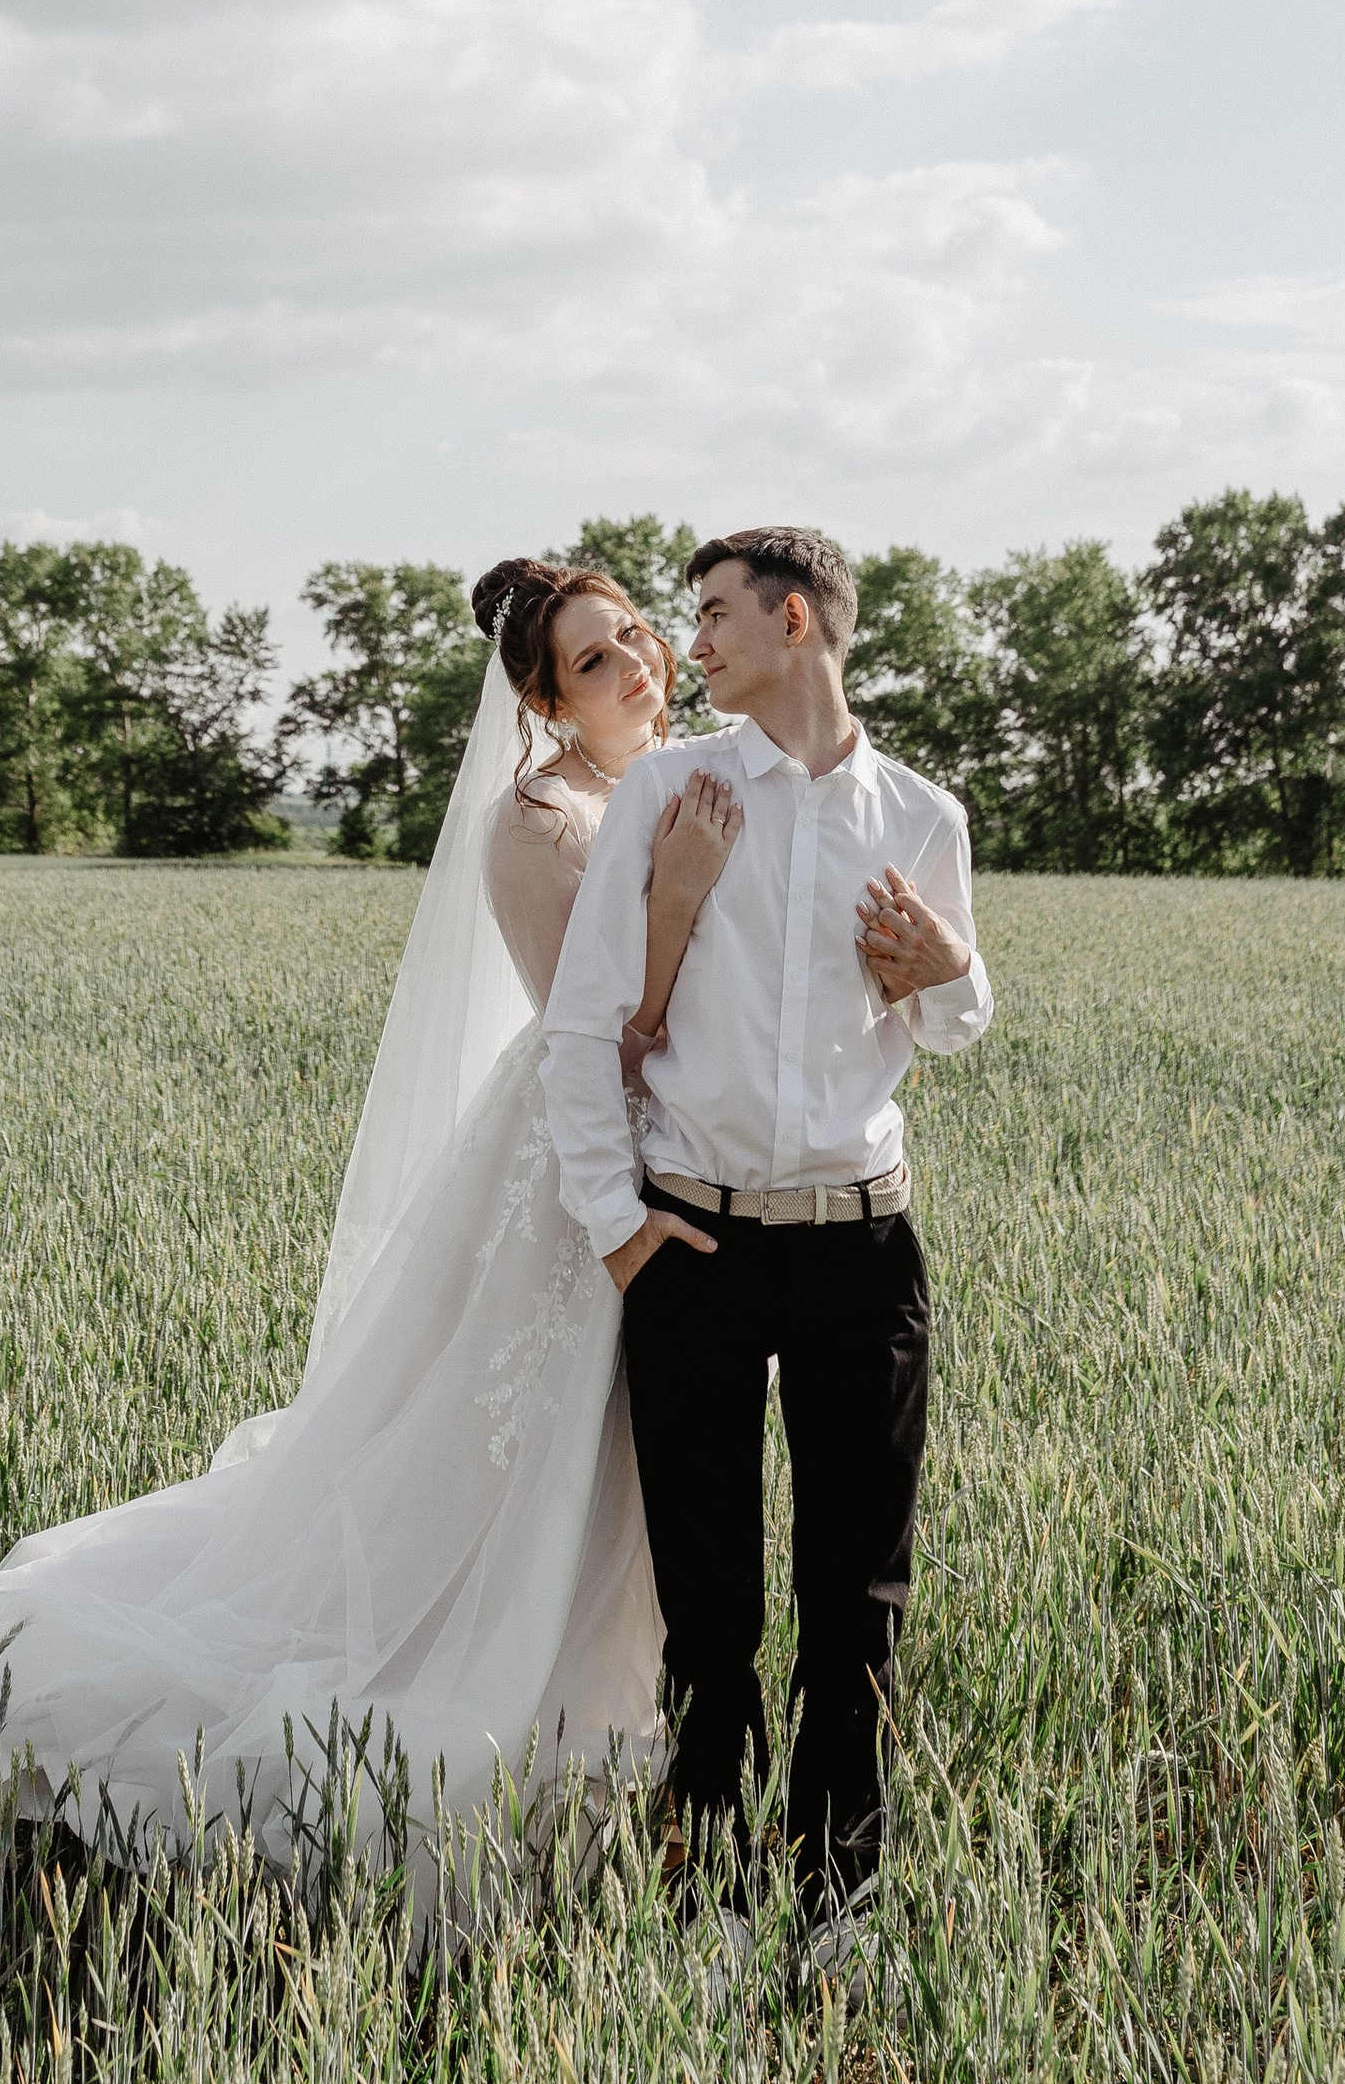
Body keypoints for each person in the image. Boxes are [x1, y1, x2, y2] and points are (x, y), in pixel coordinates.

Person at [0, 555, 743, 1899]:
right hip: (579, 1174)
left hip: (704, 1159)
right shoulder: (539, 823)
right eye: (592, 658)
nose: (635, 662)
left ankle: (647, 1726)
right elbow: (611, 1029)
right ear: (543, 700)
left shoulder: (702, 773)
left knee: (651, 1465)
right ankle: (514, 1714)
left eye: (635, 633)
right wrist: (684, 893)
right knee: (547, 1454)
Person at [541, 523, 993, 1924]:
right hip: (697, 1251)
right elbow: (580, 1026)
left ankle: (839, 1909)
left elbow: (956, 1019)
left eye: (720, 614)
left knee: (858, 1613)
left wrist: (954, 971)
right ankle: (711, 1909)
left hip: (864, 1251)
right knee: (713, 1621)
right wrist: (619, 1226)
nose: (697, 643)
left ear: (799, 622)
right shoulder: (668, 795)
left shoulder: (924, 816)